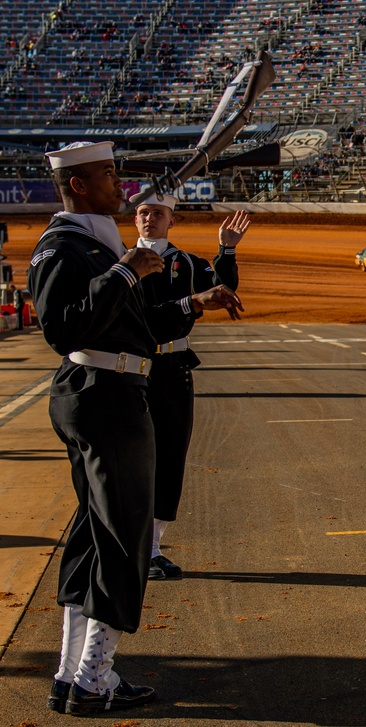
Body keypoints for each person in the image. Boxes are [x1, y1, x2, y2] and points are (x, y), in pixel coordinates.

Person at [29, 141, 243, 714]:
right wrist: (125, 271)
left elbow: (136, 322)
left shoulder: (94, 241)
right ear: (77, 185)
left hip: (110, 393)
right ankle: (96, 678)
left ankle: (74, 673)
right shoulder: (64, 246)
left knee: (94, 536)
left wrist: (194, 301)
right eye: (105, 173)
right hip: (104, 398)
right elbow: (62, 328)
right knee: (124, 540)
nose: (119, 183)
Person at [130, 193, 251, 580]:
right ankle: (132, 546)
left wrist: (226, 251)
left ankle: (152, 547)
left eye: (158, 213)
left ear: (172, 221)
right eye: (143, 213)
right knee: (131, 460)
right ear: (135, 220)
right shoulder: (119, 261)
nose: (150, 219)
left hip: (173, 368)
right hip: (132, 368)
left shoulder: (186, 263)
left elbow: (222, 289)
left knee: (169, 455)